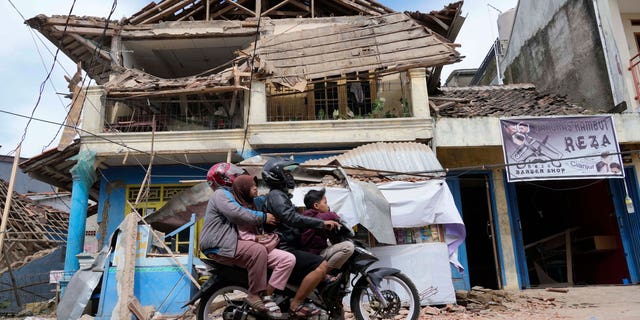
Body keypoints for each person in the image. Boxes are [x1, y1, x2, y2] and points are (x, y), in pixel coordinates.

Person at [199, 163, 285, 318]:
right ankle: (254, 294)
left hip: (226, 242)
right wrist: (263, 218)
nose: (236, 176)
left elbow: (250, 206)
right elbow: (237, 213)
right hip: (218, 243)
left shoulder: (231, 195)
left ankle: (268, 296)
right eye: (233, 174)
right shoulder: (221, 194)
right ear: (224, 178)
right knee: (257, 251)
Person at [261, 158, 341, 318]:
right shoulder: (276, 196)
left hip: (290, 245)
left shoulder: (281, 196)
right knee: (321, 265)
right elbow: (291, 218)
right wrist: (321, 223)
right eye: (286, 173)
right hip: (284, 247)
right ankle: (296, 304)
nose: (289, 176)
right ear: (276, 176)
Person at [231, 175, 296, 318]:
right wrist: (255, 237)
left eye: (256, 185)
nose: (255, 188)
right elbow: (240, 234)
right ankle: (256, 295)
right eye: (251, 186)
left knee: (288, 259)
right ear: (243, 189)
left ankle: (267, 295)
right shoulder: (237, 208)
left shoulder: (254, 203)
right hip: (248, 248)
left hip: (260, 245)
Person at [301, 189, 354, 279]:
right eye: (325, 203)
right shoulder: (309, 216)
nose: (327, 206)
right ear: (316, 205)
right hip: (314, 253)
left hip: (317, 251)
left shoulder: (319, 218)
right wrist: (335, 216)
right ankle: (322, 275)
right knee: (348, 247)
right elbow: (326, 216)